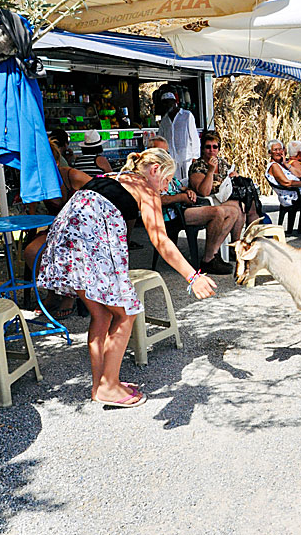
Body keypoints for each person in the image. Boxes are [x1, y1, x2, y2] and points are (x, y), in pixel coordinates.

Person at [37, 148, 216, 408]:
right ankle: (109, 386)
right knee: (126, 313)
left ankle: (101, 385)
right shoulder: (146, 189)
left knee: (103, 314)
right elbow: (160, 240)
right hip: (88, 248)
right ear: (154, 170)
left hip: (64, 244)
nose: (166, 188)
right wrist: (193, 277)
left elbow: (69, 177)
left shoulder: (111, 176)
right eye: (166, 181)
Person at [24, 142, 93, 319]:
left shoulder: (72, 175)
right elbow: (31, 211)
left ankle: (69, 296)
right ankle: (53, 292)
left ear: (56, 162)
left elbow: (99, 194)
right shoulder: (37, 180)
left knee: (66, 250)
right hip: (56, 228)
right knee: (31, 251)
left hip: (82, 229)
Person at [153, 136, 237, 274]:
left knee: (233, 211)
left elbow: (179, 186)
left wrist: (188, 190)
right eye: (160, 152)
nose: (165, 156)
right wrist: (181, 197)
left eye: (166, 152)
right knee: (218, 212)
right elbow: (157, 200)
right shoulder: (148, 175)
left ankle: (213, 254)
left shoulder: (166, 172)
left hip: (183, 209)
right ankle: (208, 260)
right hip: (172, 215)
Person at [188, 131, 260, 241]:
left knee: (248, 204)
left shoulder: (222, 162)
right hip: (209, 200)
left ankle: (245, 241)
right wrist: (210, 171)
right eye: (208, 147)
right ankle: (230, 244)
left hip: (224, 197)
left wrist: (234, 175)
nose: (211, 150)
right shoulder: (197, 166)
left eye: (215, 147)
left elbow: (231, 173)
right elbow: (204, 192)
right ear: (203, 148)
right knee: (237, 207)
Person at [156, 90, 200, 181]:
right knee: (176, 183)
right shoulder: (164, 120)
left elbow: (194, 138)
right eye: (164, 104)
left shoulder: (187, 116)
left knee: (189, 182)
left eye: (169, 102)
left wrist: (195, 157)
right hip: (171, 160)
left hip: (187, 159)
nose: (167, 105)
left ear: (175, 102)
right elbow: (161, 139)